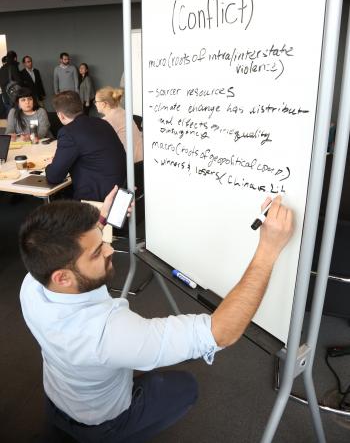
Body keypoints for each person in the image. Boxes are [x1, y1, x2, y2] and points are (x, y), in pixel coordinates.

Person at [19, 191, 293, 443]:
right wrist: (268, 249)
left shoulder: (33, 284)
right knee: (186, 386)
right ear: (63, 277)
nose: (110, 249)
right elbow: (222, 331)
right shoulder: (110, 334)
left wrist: (101, 220)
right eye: (96, 251)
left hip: (58, 399)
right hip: (100, 424)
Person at [45, 90, 126, 201]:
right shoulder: (102, 123)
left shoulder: (68, 132)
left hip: (97, 200)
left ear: (61, 115)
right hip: (119, 190)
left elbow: (54, 177)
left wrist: (50, 165)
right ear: (81, 107)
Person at [95, 86, 143, 163]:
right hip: (141, 159)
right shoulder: (122, 111)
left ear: (104, 104)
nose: (95, 104)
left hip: (130, 164)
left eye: (96, 102)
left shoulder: (107, 121)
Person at [0, 50, 22, 115]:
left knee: (10, 115)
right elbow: (19, 81)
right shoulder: (13, 67)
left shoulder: (1, 69)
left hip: (5, 97)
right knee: (18, 116)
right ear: (15, 58)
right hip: (14, 97)